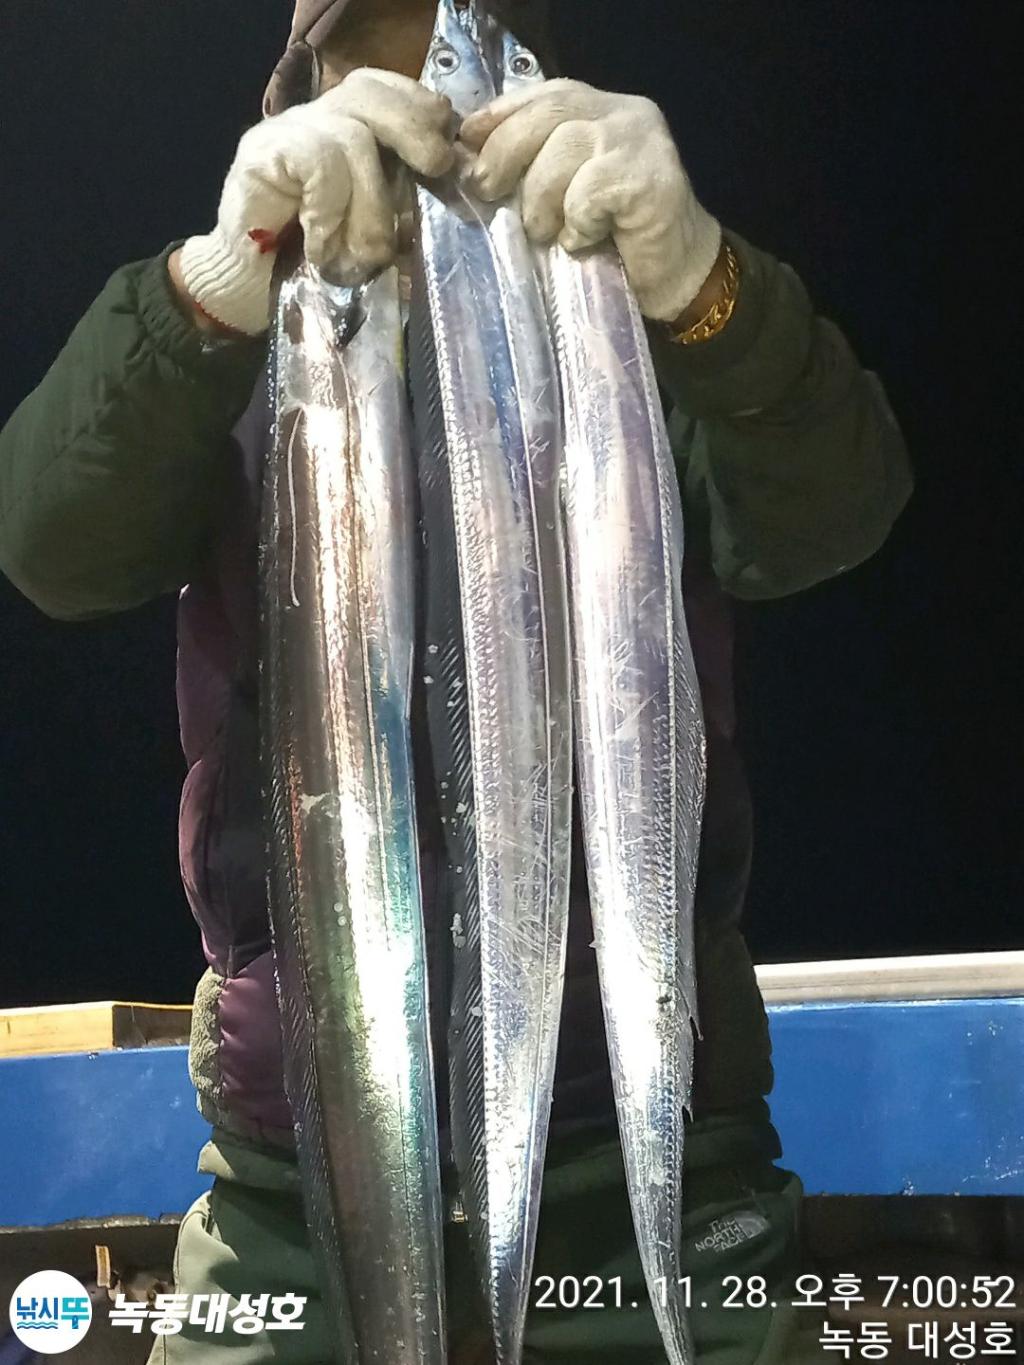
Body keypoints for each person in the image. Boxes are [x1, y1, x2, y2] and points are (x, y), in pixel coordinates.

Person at [0, 0, 912, 1360]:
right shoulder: (229, 332)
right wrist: (213, 280)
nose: (427, 120)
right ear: (301, 96)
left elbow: (837, 511)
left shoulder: (636, 315)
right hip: (292, 1193)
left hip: (652, 1172)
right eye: (377, 67)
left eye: (463, 62)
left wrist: (708, 289)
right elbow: (51, 547)